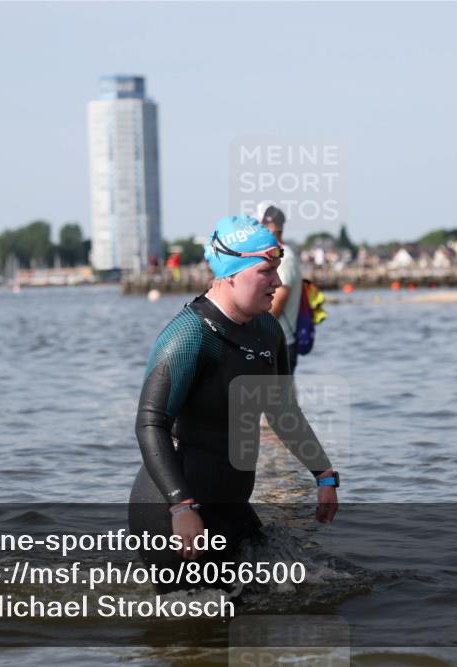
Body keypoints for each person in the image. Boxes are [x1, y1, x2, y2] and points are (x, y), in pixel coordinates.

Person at [128, 215, 339, 592]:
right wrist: (181, 507)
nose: (277, 282)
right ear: (230, 274)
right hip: (171, 513)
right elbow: (149, 424)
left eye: (276, 271)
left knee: (288, 595)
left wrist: (323, 475)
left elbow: (282, 411)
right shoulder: (189, 336)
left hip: (229, 505)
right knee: (202, 633)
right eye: (265, 272)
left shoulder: (266, 330)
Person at [255, 202, 303, 370]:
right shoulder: (275, 255)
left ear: (272, 227)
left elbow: (275, 307)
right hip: (273, 341)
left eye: (260, 225)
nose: (257, 230)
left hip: (281, 344)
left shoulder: (284, 258)